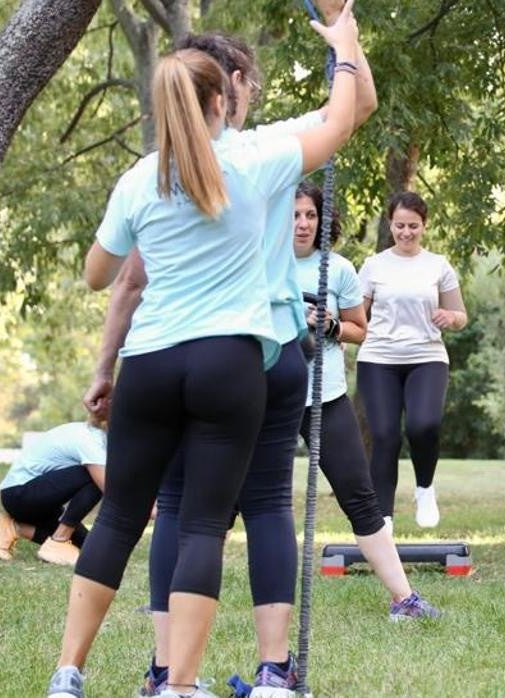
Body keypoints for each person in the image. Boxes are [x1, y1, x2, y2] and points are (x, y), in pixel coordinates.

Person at [46, 7, 363, 698]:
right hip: (228, 363)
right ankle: (178, 686)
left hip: (152, 362)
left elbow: (100, 274)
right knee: (201, 526)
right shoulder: (253, 160)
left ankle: (68, 672)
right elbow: (344, 118)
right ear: (223, 99)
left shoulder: (139, 179)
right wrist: (342, 40)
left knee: (123, 516)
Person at [292, 182, 440, 620]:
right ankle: (173, 595)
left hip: (326, 397)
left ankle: (404, 599)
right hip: (269, 398)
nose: (302, 224)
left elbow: (360, 329)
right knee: (230, 497)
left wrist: (332, 326)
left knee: (359, 495)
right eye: (294, 216)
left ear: (322, 221)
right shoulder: (258, 264)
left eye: (310, 216)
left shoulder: (336, 269)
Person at [356, 191, 468, 529]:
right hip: (378, 357)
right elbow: (358, 317)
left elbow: (461, 314)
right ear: (390, 224)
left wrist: (451, 318)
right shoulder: (373, 266)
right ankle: (384, 517)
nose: (406, 232)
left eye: (413, 226)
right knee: (386, 435)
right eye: (400, 225)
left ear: (424, 225)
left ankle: (424, 488)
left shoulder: (438, 265)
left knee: (423, 425)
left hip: (427, 356)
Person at [0, 414, 108, 567]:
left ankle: (14, 528)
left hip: (37, 501)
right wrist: (146, 510)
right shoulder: (92, 440)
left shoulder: (98, 437)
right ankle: (59, 540)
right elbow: (109, 490)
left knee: (90, 549)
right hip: (20, 494)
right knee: (94, 477)